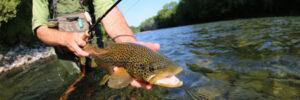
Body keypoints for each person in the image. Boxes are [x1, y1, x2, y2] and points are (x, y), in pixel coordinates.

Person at [32, 0, 159, 89]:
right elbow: (40, 30)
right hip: (65, 53)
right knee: (77, 86)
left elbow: (108, 12)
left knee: (102, 83)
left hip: (98, 51)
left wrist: (130, 45)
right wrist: (66, 38)